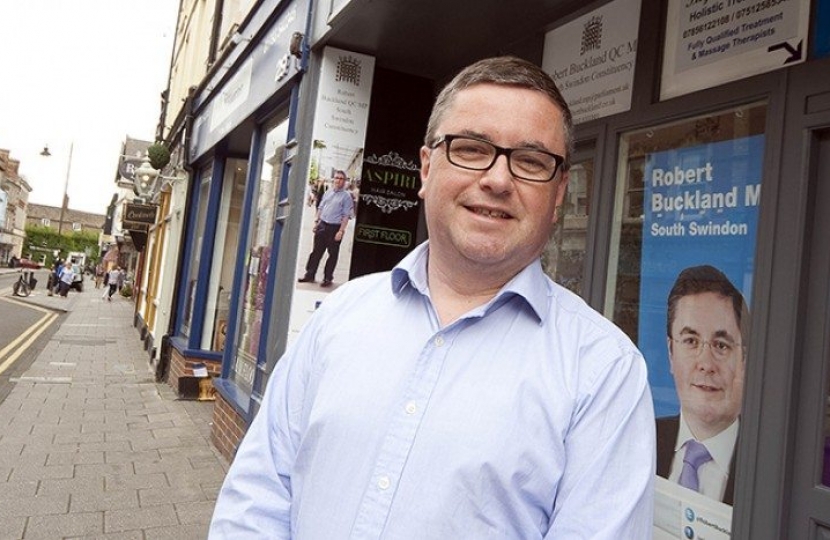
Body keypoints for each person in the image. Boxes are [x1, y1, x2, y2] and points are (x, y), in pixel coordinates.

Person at [210, 56, 655, 539]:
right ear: (426, 168)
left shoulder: (604, 372)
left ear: (560, 191)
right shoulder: (339, 314)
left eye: (531, 161)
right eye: (471, 149)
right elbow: (258, 495)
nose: (499, 180)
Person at [656, 264, 749, 504]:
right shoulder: (639, 441)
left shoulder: (769, 465)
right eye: (690, 341)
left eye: (721, 345)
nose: (706, 363)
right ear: (670, 352)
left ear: (745, 361)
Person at [297, 170, 354, 288]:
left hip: (335, 228)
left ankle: (328, 278)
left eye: (341, 179)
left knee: (332, 254)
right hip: (322, 225)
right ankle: (310, 275)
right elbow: (321, 207)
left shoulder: (346, 197)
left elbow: (346, 216)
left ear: (345, 181)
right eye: (336, 178)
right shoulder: (328, 192)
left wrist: (341, 231)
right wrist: (316, 222)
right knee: (316, 252)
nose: (338, 180)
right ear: (333, 179)